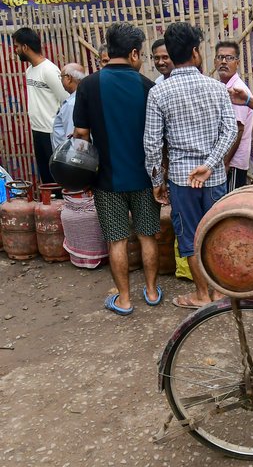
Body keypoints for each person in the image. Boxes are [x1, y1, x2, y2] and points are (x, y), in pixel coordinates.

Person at [144, 23, 237, 310]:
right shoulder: (216, 87)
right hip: (214, 178)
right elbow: (230, 131)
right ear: (196, 52)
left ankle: (201, 294)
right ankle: (219, 292)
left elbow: (152, 144)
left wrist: (157, 181)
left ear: (170, 54)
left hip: (182, 181)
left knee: (191, 236)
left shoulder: (159, 93)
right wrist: (209, 165)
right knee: (216, 234)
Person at [71, 23, 161, 315]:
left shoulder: (88, 85)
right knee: (148, 236)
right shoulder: (148, 87)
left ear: (109, 50)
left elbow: (81, 136)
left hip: (106, 179)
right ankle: (150, 290)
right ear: (134, 53)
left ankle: (124, 299)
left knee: (116, 240)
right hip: (145, 178)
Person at [12, 27, 69, 185]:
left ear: (25, 47)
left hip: (51, 132)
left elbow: (66, 100)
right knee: (46, 176)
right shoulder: (30, 71)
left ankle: (61, 206)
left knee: (56, 177)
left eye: (16, 46)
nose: (15, 51)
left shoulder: (49, 70)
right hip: (37, 130)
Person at [214, 40, 253, 192]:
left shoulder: (237, 89)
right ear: (215, 61)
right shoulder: (223, 86)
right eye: (220, 57)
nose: (224, 62)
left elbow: (238, 129)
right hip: (227, 159)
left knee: (230, 204)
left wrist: (225, 162)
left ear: (237, 62)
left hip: (233, 162)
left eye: (229, 58)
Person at [50, 63, 86, 150]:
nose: (61, 80)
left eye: (61, 77)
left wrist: (74, 159)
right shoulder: (81, 97)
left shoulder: (72, 104)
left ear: (69, 78)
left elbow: (73, 137)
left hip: (68, 157)